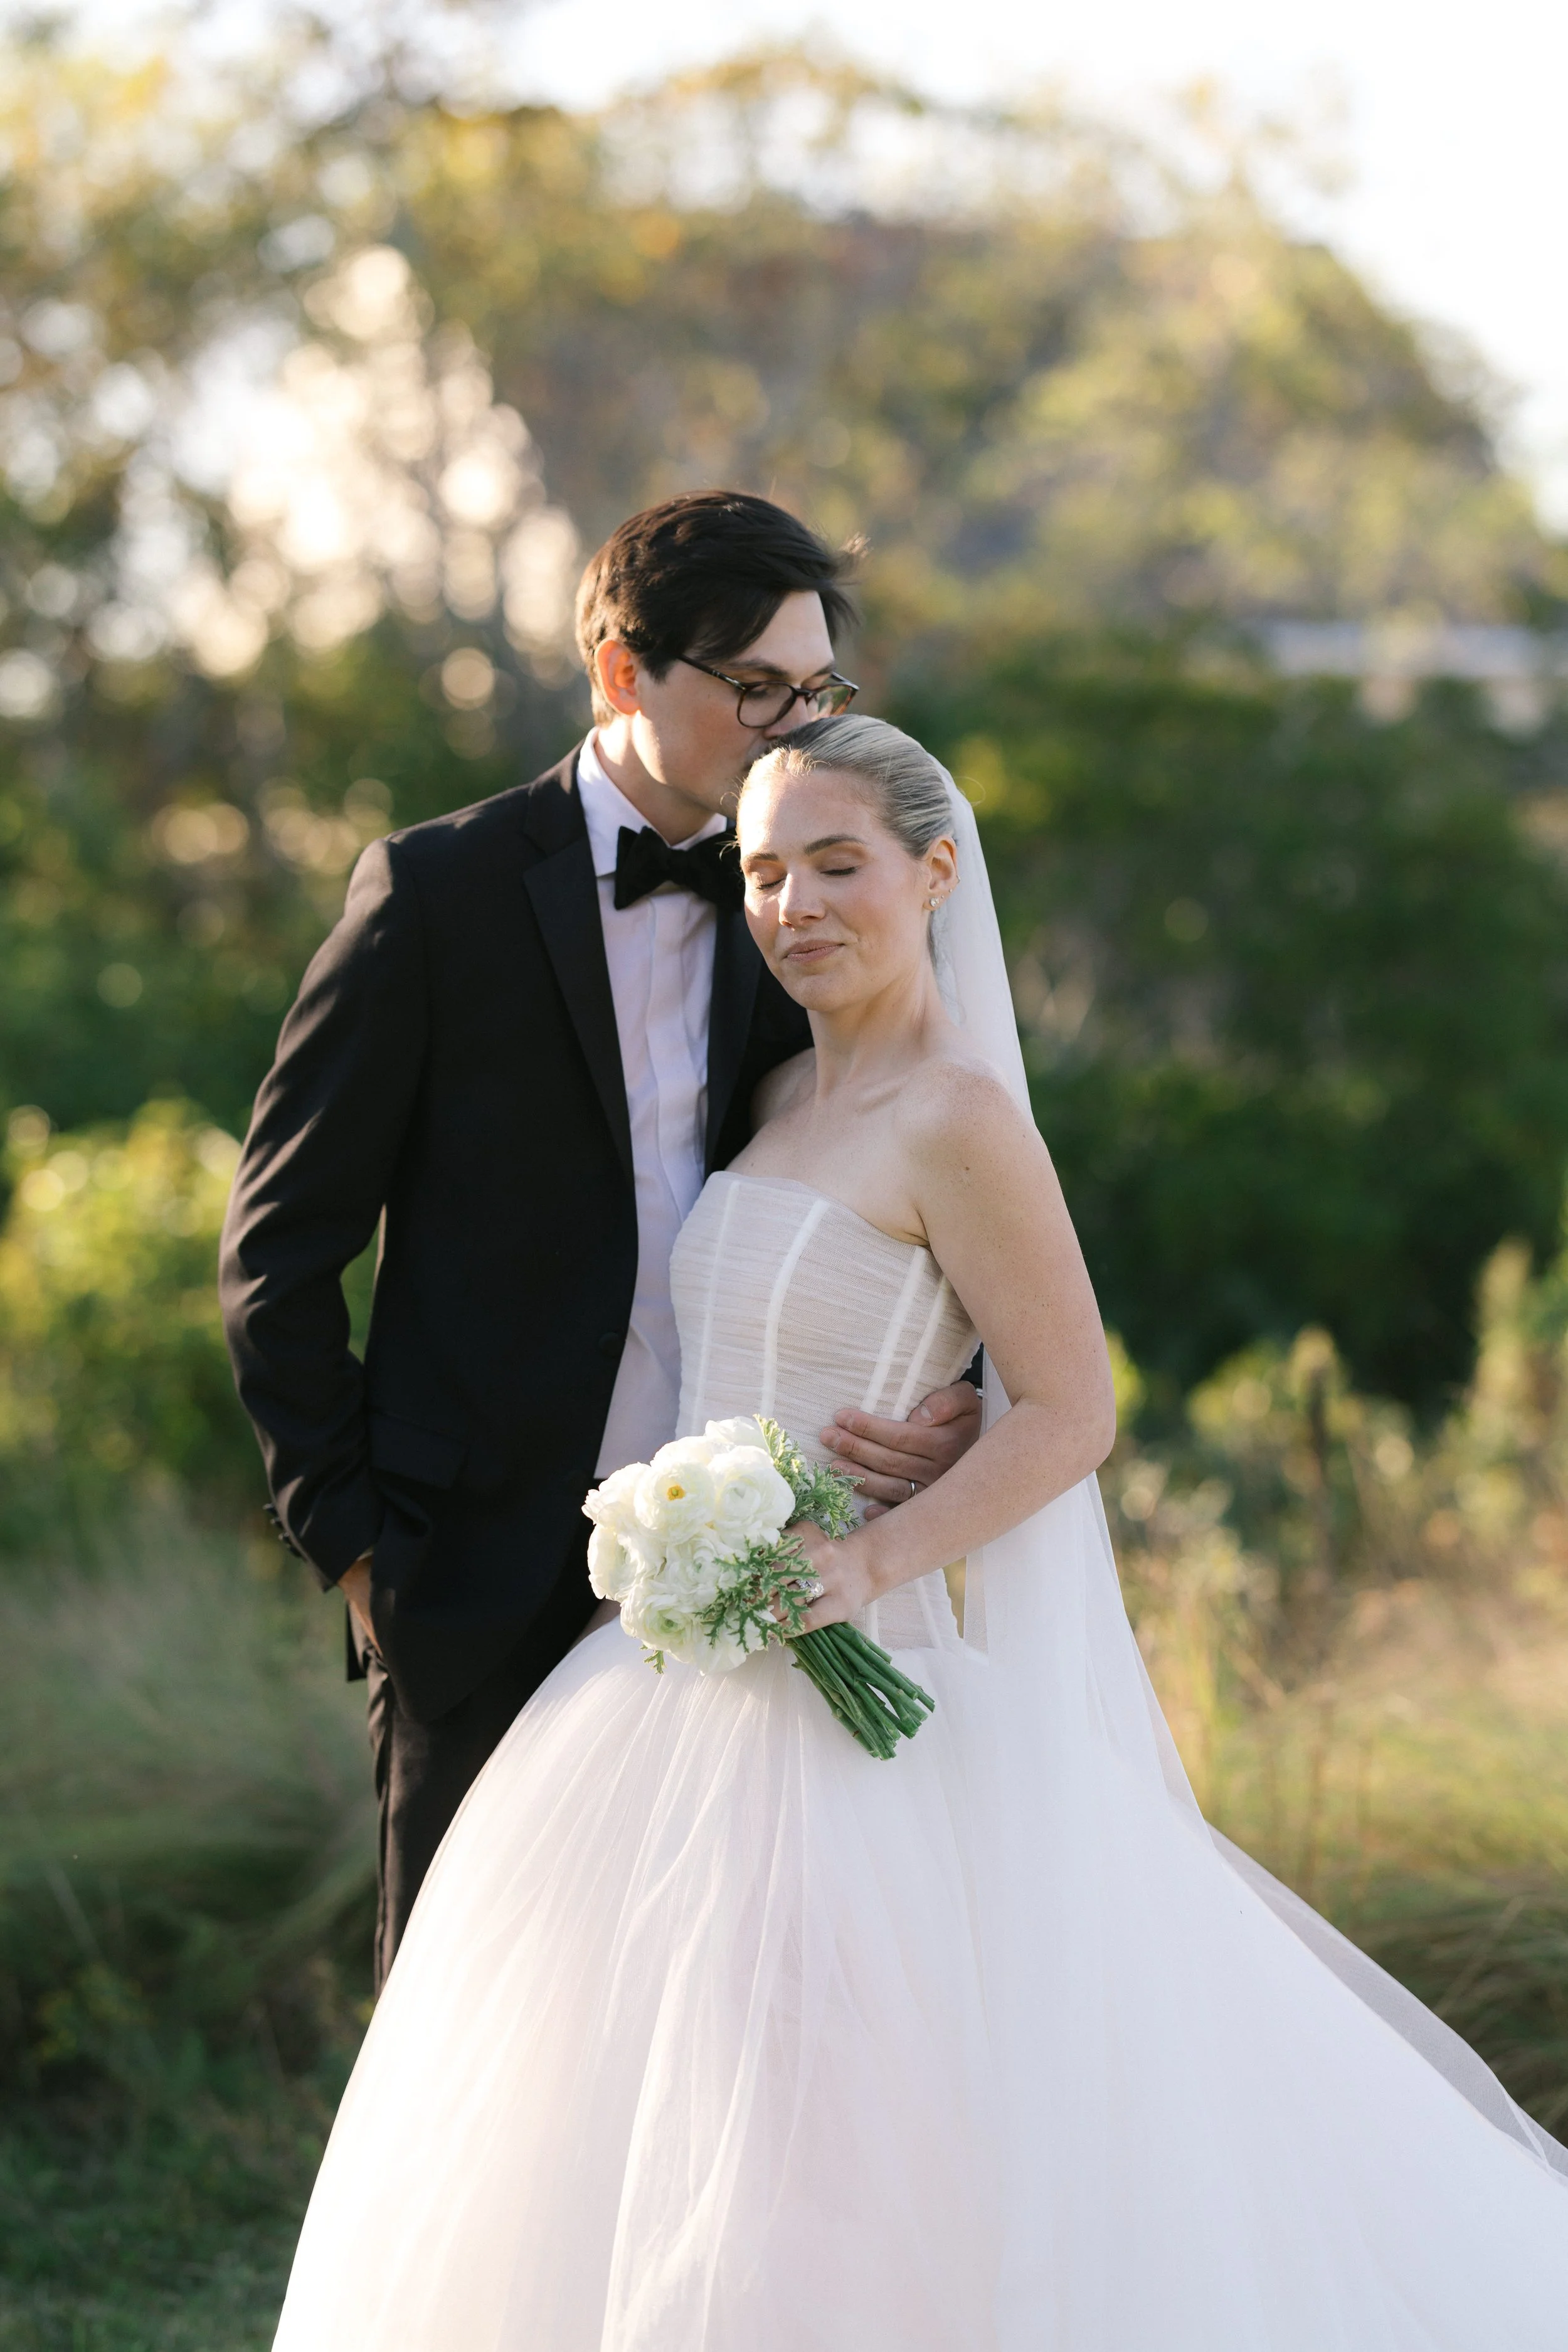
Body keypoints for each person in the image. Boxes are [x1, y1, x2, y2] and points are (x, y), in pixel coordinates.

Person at [271, 715, 1568, 2349]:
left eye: (835, 863)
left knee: (820, 2124)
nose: (791, 903)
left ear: (932, 871)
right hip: (661, 1677)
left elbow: (1069, 1407)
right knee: (627, 2090)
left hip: (847, 1672)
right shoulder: (781, 1085)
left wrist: (866, 1557)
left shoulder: (962, 1116)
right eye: (760, 869)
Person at [219, 495, 982, 1988]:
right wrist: (358, 1545)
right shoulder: (432, 896)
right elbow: (280, 1246)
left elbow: (933, 1174)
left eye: (812, 691)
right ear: (619, 673)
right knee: (471, 2029)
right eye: (751, 688)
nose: (786, 728)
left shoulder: (806, 908)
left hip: (752, 1573)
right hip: (475, 1568)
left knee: (716, 2031)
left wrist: (961, 1408)